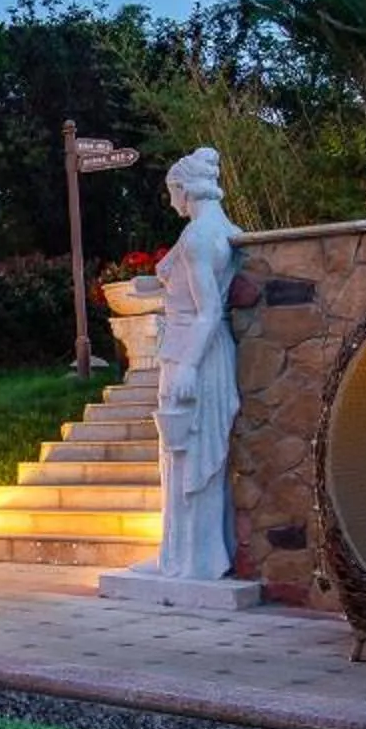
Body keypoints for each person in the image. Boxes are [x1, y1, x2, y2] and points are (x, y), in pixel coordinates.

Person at [143, 149, 242, 580]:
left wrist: (186, 366)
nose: (170, 202)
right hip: (194, 347)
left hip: (192, 352)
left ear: (184, 189)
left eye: (171, 193)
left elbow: (208, 311)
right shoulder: (218, 230)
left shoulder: (200, 236)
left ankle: (194, 561)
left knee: (187, 455)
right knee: (184, 455)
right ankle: (186, 557)